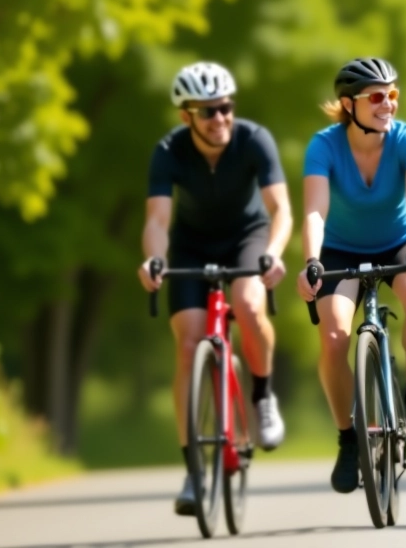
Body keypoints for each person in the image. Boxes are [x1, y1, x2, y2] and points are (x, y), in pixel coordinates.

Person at [137, 61, 293, 515]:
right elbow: (157, 220)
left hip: (248, 238)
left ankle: (262, 397)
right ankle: (193, 471)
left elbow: (280, 207)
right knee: (188, 344)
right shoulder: (168, 150)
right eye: (207, 112)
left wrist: (275, 251)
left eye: (225, 107)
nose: (220, 118)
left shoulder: (254, 139)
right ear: (186, 116)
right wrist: (154, 260)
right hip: (190, 246)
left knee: (247, 303)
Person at [296, 57, 406, 494]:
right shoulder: (323, 145)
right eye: (377, 96)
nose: (388, 104)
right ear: (348, 104)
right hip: (340, 250)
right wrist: (311, 260)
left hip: (397, 243)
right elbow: (316, 210)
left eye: (393, 94)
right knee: (335, 336)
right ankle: (346, 438)